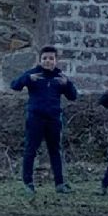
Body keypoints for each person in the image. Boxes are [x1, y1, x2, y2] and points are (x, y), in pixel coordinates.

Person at [11, 46, 79, 194]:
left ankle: (60, 184)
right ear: (40, 60)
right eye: (45, 58)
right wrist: (27, 79)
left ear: (56, 61)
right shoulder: (33, 74)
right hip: (35, 119)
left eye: (51, 59)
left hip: (54, 120)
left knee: (55, 151)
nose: (48, 61)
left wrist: (67, 84)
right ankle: (28, 184)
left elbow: (73, 96)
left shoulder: (60, 77)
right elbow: (15, 86)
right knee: (31, 150)